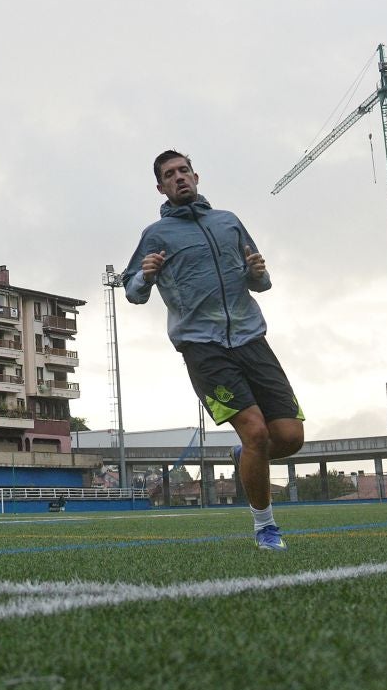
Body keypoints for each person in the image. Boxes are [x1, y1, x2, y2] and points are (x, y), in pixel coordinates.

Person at [122, 150, 304, 550]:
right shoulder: (156, 235)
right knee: (256, 432)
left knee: (290, 437)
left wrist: (258, 273)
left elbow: (261, 279)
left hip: (251, 337)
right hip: (203, 347)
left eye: (184, 170)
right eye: (170, 175)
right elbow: (132, 289)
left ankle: (247, 456)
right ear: (161, 187)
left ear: (196, 176)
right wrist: (146, 276)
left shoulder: (229, 222)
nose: (179, 178)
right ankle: (265, 527)